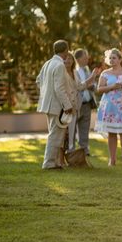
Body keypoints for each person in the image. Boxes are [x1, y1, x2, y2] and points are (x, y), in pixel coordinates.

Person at [95, 48, 122, 167]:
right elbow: (99, 89)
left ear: (120, 59)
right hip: (110, 107)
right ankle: (112, 160)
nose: (111, 60)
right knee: (112, 133)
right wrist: (112, 86)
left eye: (114, 58)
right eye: (110, 58)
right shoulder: (105, 73)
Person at [36, 40, 74, 170]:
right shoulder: (59, 65)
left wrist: (46, 93)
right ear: (66, 50)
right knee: (55, 134)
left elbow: (38, 80)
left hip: (47, 104)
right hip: (56, 105)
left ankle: (54, 162)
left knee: (55, 134)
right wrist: (67, 105)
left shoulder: (47, 63)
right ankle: (49, 163)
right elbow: (59, 88)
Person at [74, 48, 98, 156]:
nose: (87, 59)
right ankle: (71, 151)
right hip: (76, 105)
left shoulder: (87, 69)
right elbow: (78, 87)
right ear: (78, 59)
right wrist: (88, 84)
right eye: (85, 57)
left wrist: (93, 86)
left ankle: (85, 151)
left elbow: (93, 84)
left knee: (85, 129)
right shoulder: (73, 71)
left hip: (87, 104)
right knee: (72, 129)